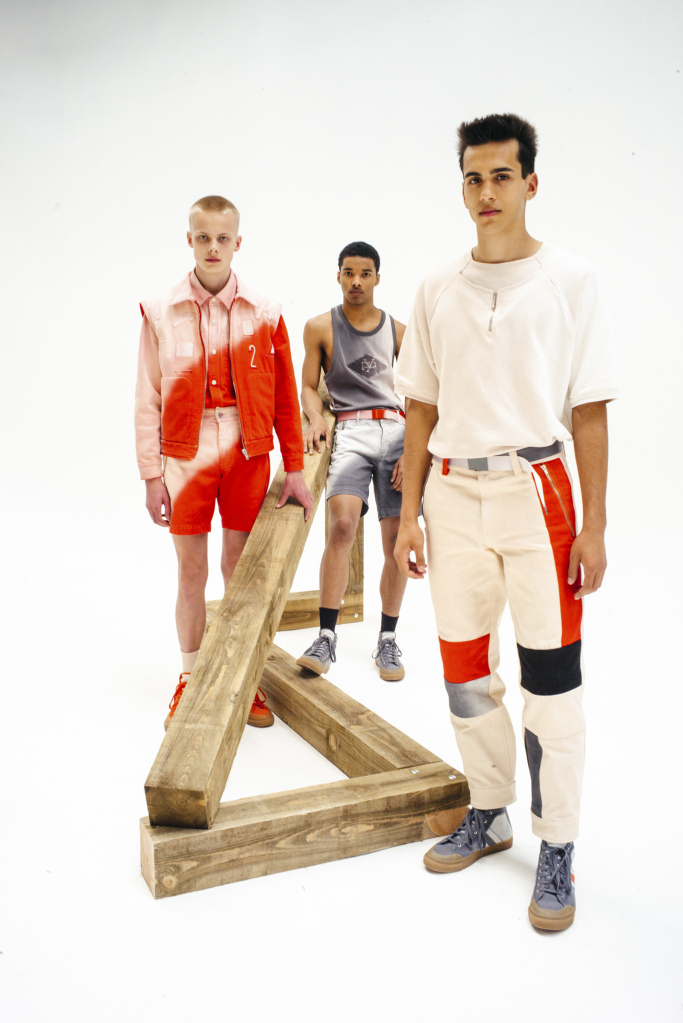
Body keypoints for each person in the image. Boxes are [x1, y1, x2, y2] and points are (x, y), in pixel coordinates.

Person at [394, 114, 618, 931]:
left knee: (550, 682)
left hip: (536, 491)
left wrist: (594, 526)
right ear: (461, 187)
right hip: (451, 493)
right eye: (472, 178)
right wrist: (408, 515)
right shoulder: (435, 288)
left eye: (500, 176)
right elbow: (419, 408)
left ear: (530, 182)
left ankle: (556, 843)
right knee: (464, 673)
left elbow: (587, 410)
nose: (485, 192)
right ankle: (488, 811)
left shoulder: (571, 280)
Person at [135, 195, 312, 729]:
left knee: (239, 571)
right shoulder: (161, 311)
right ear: (189, 240)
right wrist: (151, 475)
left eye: (223, 238)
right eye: (203, 237)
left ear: (238, 242)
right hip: (184, 455)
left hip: (246, 449)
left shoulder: (265, 312)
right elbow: (148, 397)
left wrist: (295, 466)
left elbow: (284, 396)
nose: (213, 247)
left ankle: (241, 676)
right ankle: (190, 677)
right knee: (191, 570)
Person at [296, 241, 408, 681]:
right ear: (338, 275)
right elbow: (308, 386)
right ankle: (326, 636)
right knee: (342, 525)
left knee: (396, 542)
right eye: (349, 273)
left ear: (378, 278)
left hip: (395, 431)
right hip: (351, 430)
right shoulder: (319, 327)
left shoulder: (399, 331)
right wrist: (313, 418)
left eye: (365, 273)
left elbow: (421, 397)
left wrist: (414, 451)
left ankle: (388, 639)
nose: (356, 281)